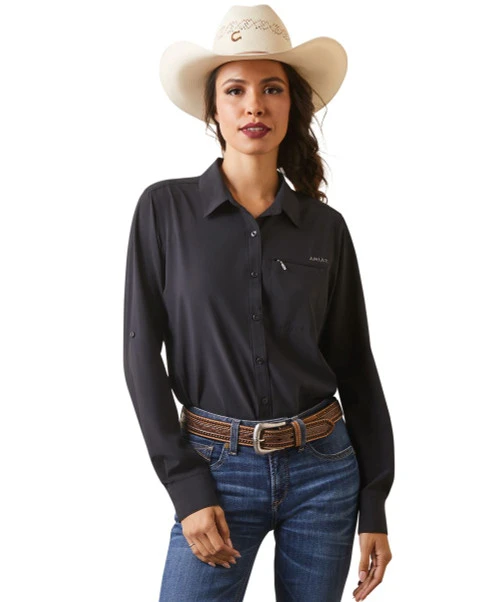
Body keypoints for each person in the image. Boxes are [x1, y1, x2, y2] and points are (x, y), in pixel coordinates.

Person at [123, 5, 394, 602]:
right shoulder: (163, 211)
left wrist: (374, 501)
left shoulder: (325, 228)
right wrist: (187, 487)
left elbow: (355, 365)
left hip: (325, 471)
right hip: (216, 470)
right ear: (213, 110)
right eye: (235, 90)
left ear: (292, 106)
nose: (254, 106)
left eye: (272, 89)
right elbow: (142, 359)